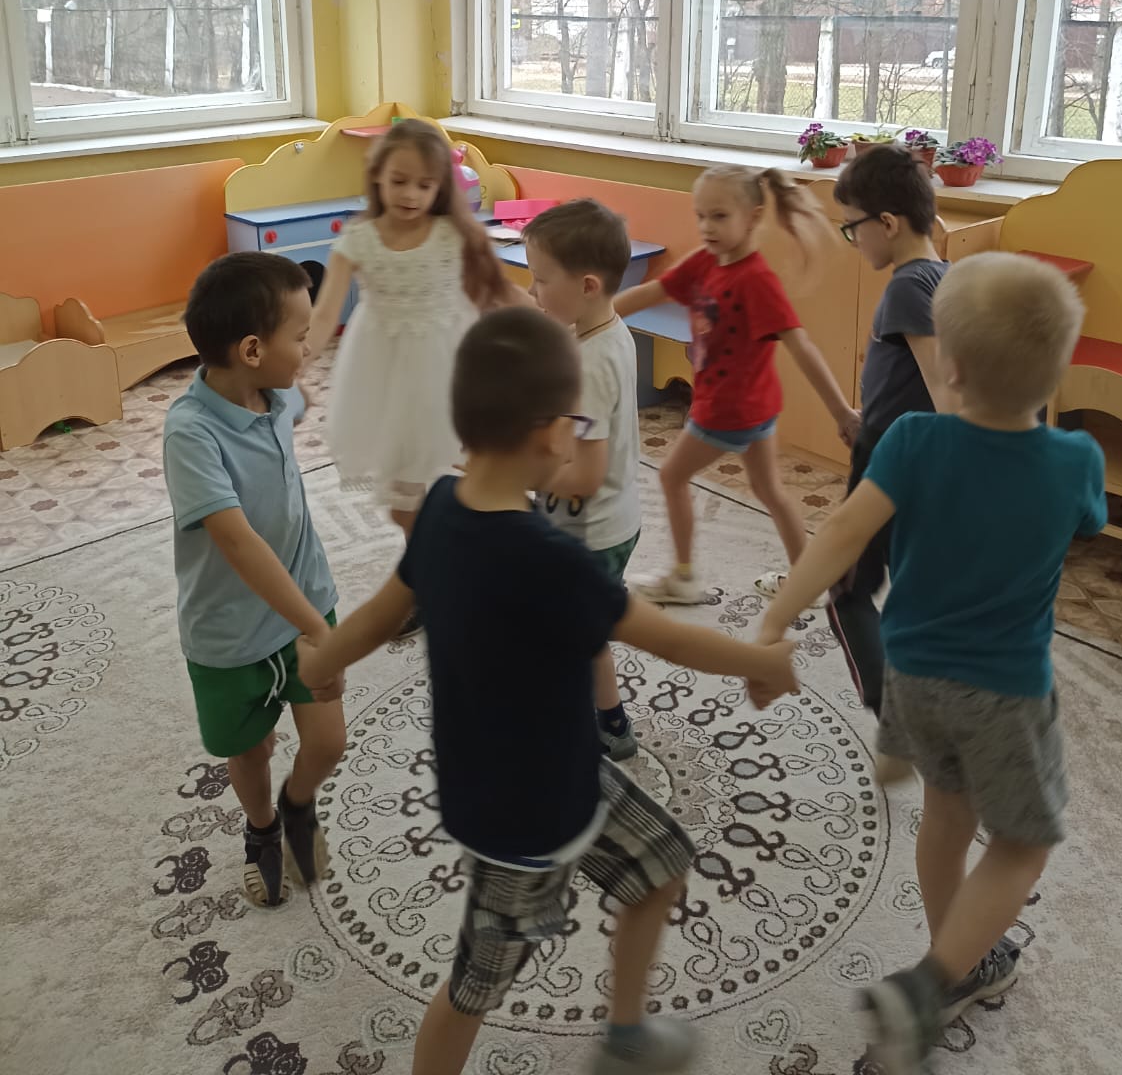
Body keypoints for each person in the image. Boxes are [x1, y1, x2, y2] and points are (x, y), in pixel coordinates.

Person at [297, 307, 798, 1075]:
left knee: (661, 865)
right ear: (545, 433)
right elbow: (665, 638)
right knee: (474, 987)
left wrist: (323, 660)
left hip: (564, 777)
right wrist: (760, 663)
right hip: (520, 825)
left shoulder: (440, 509)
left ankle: (624, 1039)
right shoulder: (549, 560)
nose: (575, 435)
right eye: (575, 420)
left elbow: (381, 612)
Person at [755, 252, 1108, 1072]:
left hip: (911, 676)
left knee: (946, 819)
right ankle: (931, 983)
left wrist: (775, 617)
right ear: (1056, 372)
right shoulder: (1075, 462)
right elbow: (1086, 523)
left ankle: (955, 954)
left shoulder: (912, 439)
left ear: (946, 365)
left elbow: (843, 532)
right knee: (1021, 844)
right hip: (1004, 693)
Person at [163, 252, 346, 909]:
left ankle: (296, 806)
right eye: (299, 337)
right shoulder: (189, 433)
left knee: (328, 741)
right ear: (250, 350)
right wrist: (317, 629)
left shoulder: (278, 391)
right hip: (231, 632)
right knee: (252, 749)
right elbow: (238, 544)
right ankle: (262, 828)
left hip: (306, 598)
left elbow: (296, 393)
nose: (309, 349)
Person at [615, 165, 858, 604]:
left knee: (671, 476)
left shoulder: (756, 280)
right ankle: (808, 581)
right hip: (757, 406)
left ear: (753, 217)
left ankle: (683, 578)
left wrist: (841, 411)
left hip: (729, 409)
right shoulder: (706, 261)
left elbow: (801, 346)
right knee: (769, 490)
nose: (707, 226)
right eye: (701, 215)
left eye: (720, 216)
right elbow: (652, 293)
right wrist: (594, 317)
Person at [306, 119, 514, 537]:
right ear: (377, 175)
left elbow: (499, 292)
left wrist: (549, 324)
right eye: (399, 181)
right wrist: (298, 358)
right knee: (404, 498)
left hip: (449, 367)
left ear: (440, 187)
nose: (410, 194)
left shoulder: (453, 235)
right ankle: (421, 555)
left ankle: (466, 541)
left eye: (424, 185)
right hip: (386, 375)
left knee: (462, 469)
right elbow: (325, 313)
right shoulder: (359, 239)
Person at [829, 146, 954, 781]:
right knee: (907, 595)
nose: (853, 240)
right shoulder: (941, 272)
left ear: (887, 222)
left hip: (889, 463)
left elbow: (944, 392)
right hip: (898, 450)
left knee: (845, 593)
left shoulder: (906, 286)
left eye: (852, 226)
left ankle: (898, 726)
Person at [524, 199, 643, 761]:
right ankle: (607, 720)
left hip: (589, 532)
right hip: (610, 521)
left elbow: (587, 476)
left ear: (588, 285)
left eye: (541, 280)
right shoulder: (607, 333)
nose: (532, 291)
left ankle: (601, 726)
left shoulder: (591, 365)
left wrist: (519, 473)